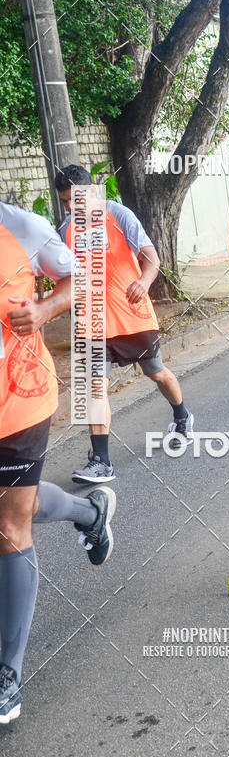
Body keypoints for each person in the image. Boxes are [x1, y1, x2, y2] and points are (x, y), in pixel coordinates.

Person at [0, 202, 116, 725]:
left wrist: (46, 310)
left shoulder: (19, 227)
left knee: (8, 525)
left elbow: (83, 278)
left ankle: (7, 673)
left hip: (16, 400)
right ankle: (90, 513)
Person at [54, 165, 193, 482]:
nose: (69, 208)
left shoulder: (118, 215)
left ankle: (182, 416)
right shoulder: (66, 229)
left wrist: (144, 282)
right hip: (93, 322)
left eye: (73, 200)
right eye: (64, 202)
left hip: (132, 315)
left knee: (156, 371)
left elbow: (151, 257)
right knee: (95, 386)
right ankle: (101, 461)